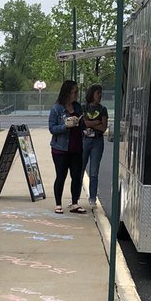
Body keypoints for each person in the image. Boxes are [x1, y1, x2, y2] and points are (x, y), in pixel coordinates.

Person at [48, 79, 85, 213]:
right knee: (61, 175)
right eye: (75, 92)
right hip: (61, 149)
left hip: (76, 148)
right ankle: (58, 204)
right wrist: (65, 126)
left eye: (77, 91)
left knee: (76, 176)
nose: (76, 94)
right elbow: (52, 128)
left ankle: (74, 202)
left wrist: (83, 127)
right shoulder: (57, 109)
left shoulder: (77, 107)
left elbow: (82, 124)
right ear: (67, 92)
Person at [82, 83, 108, 209]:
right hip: (85, 140)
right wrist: (96, 122)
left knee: (94, 171)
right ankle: (74, 197)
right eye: (98, 93)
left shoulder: (103, 109)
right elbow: (83, 123)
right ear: (92, 94)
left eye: (101, 93)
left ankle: (92, 198)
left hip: (97, 141)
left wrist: (90, 124)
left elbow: (103, 127)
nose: (100, 95)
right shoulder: (84, 107)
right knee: (79, 169)